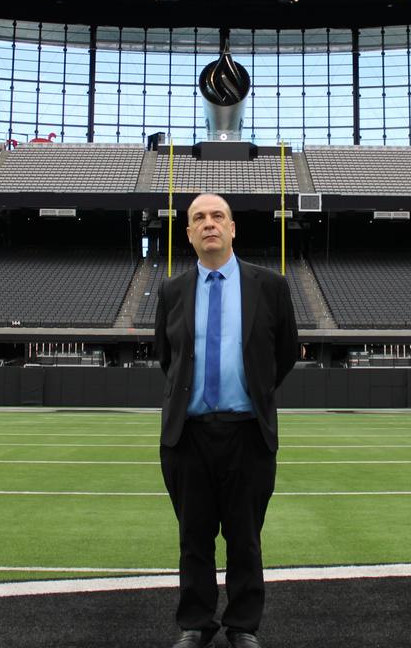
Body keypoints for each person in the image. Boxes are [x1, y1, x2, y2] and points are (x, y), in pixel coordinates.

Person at [154, 193, 299, 648]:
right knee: (193, 538)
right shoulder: (172, 290)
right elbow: (167, 357)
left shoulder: (269, 286)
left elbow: (286, 353)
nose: (209, 223)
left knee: (245, 539)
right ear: (189, 234)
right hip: (189, 434)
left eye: (218, 216)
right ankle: (195, 623)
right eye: (199, 218)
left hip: (247, 432)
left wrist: (251, 388)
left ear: (233, 229)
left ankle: (242, 626)